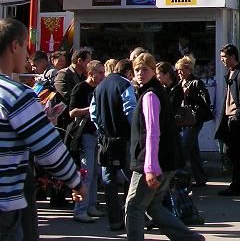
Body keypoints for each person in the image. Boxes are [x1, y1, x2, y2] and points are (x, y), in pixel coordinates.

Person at [0, 18, 86, 241]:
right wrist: (75, 181)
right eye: (26, 47)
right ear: (14, 46)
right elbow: (48, 148)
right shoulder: (16, 96)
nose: (29, 58)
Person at [125, 53, 203, 241]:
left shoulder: (150, 95)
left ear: (153, 71)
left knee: (134, 207)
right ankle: (189, 238)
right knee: (152, 205)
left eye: (145, 69)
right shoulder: (154, 91)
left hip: (151, 162)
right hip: (163, 160)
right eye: (137, 70)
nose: (140, 73)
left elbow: (152, 132)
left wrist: (150, 167)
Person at [91, 58, 136, 231]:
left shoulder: (100, 86)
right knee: (131, 178)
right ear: (129, 72)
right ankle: (131, 217)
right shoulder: (124, 84)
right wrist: (136, 132)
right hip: (123, 138)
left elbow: (94, 114)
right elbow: (130, 110)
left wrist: (102, 130)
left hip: (105, 140)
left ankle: (114, 220)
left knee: (108, 181)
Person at [214, 44, 240, 196]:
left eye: (224, 58)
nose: (222, 61)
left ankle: (238, 185)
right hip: (229, 120)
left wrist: (237, 117)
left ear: (232, 57)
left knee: (237, 154)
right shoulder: (231, 74)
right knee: (230, 152)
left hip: (237, 122)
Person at [69, 59, 106, 223]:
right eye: (99, 72)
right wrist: (90, 109)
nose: (102, 75)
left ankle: (91, 205)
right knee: (86, 173)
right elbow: (72, 112)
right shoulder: (81, 88)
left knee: (96, 172)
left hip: (98, 134)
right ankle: (80, 209)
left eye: (103, 72)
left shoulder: (100, 88)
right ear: (90, 73)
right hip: (85, 134)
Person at [175, 56, 211, 187]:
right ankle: (200, 177)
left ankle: (177, 175)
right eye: (177, 70)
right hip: (185, 120)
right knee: (193, 149)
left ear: (189, 70)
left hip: (194, 120)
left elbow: (205, 101)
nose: (179, 73)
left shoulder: (196, 83)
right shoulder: (180, 83)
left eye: (181, 70)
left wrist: (190, 94)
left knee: (184, 147)